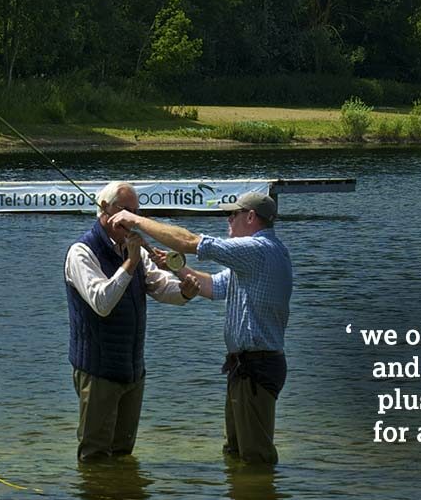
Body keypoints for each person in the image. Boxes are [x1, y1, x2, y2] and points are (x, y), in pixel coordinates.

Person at [109, 192, 292, 465]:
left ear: (251, 217)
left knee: (256, 458)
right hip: (246, 367)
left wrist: (135, 219)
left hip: (257, 367)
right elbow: (213, 287)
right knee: (236, 452)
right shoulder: (258, 256)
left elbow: (189, 241)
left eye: (233, 214)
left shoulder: (257, 249)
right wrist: (175, 266)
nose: (228, 220)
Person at [65, 181, 199, 461]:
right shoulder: (81, 252)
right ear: (105, 211)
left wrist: (184, 291)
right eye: (126, 211)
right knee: (95, 456)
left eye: (136, 212)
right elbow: (101, 302)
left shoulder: (132, 248)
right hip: (98, 370)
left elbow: (159, 285)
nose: (131, 219)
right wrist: (130, 264)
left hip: (132, 370)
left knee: (124, 454)